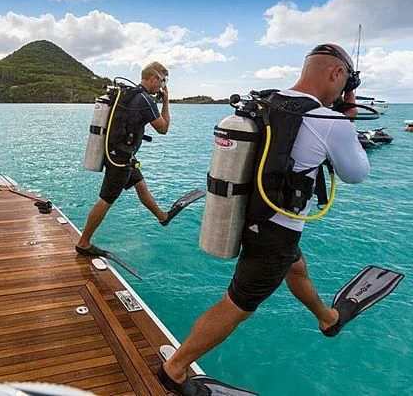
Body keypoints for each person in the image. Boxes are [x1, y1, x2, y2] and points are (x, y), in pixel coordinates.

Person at [158, 44, 370, 395]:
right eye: (346, 81)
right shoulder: (329, 121)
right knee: (238, 305)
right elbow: (356, 173)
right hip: (276, 228)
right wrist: (347, 110)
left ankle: (327, 318)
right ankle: (174, 371)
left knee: (295, 265)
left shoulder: (267, 101)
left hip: (249, 213)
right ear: (336, 75)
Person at [76, 61, 197, 256]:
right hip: (120, 160)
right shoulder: (145, 100)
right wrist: (166, 101)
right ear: (153, 78)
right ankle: (83, 243)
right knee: (105, 200)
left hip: (118, 154)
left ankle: (162, 216)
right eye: (163, 82)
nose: (163, 86)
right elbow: (163, 128)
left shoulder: (131, 94)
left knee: (140, 184)